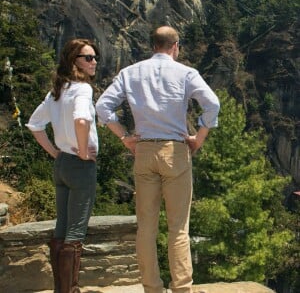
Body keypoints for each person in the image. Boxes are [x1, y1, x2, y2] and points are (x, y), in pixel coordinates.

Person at [96, 25, 220, 293]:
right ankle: (182, 288)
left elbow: (102, 106)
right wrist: (199, 136)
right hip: (175, 152)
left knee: (146, 227)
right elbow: (213, 104)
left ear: (153, 45)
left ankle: (152, 288)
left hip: (144, 151)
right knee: (178, 228)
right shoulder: (186, 73)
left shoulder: (130, 73)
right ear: (176, 46)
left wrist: (124, 137)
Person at [26, 38, 99, 293]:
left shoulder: (56, 91)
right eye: (88, 58)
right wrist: (81, 151)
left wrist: (56, 153)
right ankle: (70, 290)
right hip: (80, 166)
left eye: (94, 57)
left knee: (61, 227)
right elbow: (81, 120)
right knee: (76, 230)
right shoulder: (82, 89)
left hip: (62, 165)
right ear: (74, 62)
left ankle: (61, 289)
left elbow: (35, 125)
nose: (94, 62)